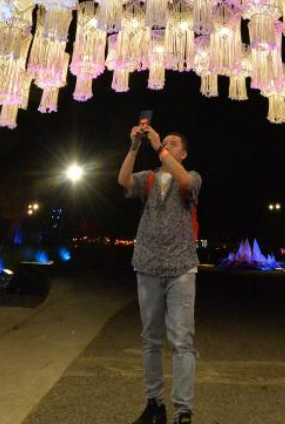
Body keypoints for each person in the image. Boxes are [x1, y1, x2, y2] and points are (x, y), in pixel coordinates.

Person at [117, 124, 203, 424]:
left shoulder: (191, 177)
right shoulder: (149, 178)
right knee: (150, 338)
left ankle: (183, 411)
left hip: (181, 268)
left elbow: (185, 181)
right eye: (164, 142)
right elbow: (123, 179)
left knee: (182, 341)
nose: (166, 144)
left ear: (183, 152)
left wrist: (158, 146)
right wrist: (134, 147)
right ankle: (155, 403)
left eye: (172, 143)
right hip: (148, 264)